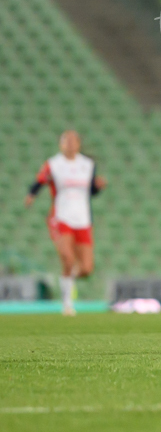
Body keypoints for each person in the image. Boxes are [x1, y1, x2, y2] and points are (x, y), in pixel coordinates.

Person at [24, 130, 106, 316]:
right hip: (61, 217)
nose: (69, 144)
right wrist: (31, 195)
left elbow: (90, 190)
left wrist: (98, 187)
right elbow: (39, 181)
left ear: (78, 144)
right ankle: (67, 304)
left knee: (86, 269)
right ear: (61, 144)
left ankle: (67, 280)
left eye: (73, 140)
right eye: (65, 140)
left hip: (83, 219)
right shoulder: (54, 164)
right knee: (68, 259)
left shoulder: (87, 164)